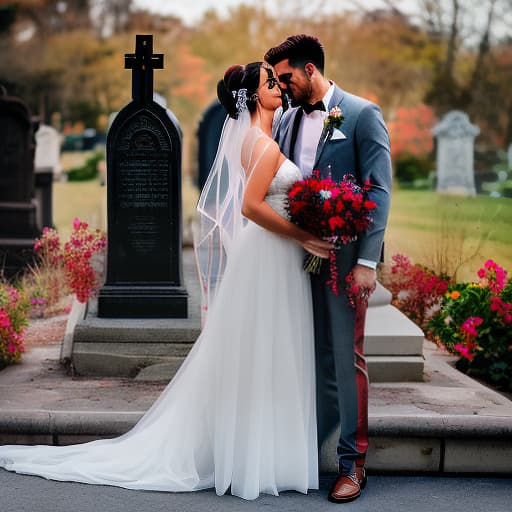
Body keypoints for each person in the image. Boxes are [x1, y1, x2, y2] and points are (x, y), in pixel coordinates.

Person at [0, 62, 332, 501]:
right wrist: (305, 235)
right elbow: (251, 208)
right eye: (271, 82)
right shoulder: (265, 146)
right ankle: (263, 459)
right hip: (272, 252)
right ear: (253, 96)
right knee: (268, 349)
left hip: (268, 255)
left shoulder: (255, 140)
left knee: (263, 351)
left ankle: (261, 455)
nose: (279, 87)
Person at [265, 34, 392, 504]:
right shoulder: (286, 120)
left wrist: (365, 260)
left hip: (344, 260)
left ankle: (352, 464)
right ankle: (303, 450)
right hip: (294, 258)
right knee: (305, 356)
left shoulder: (361, 115)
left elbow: (378, 191)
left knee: (345, 357)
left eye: (286, 78)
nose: (282, 87)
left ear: (311, 71)